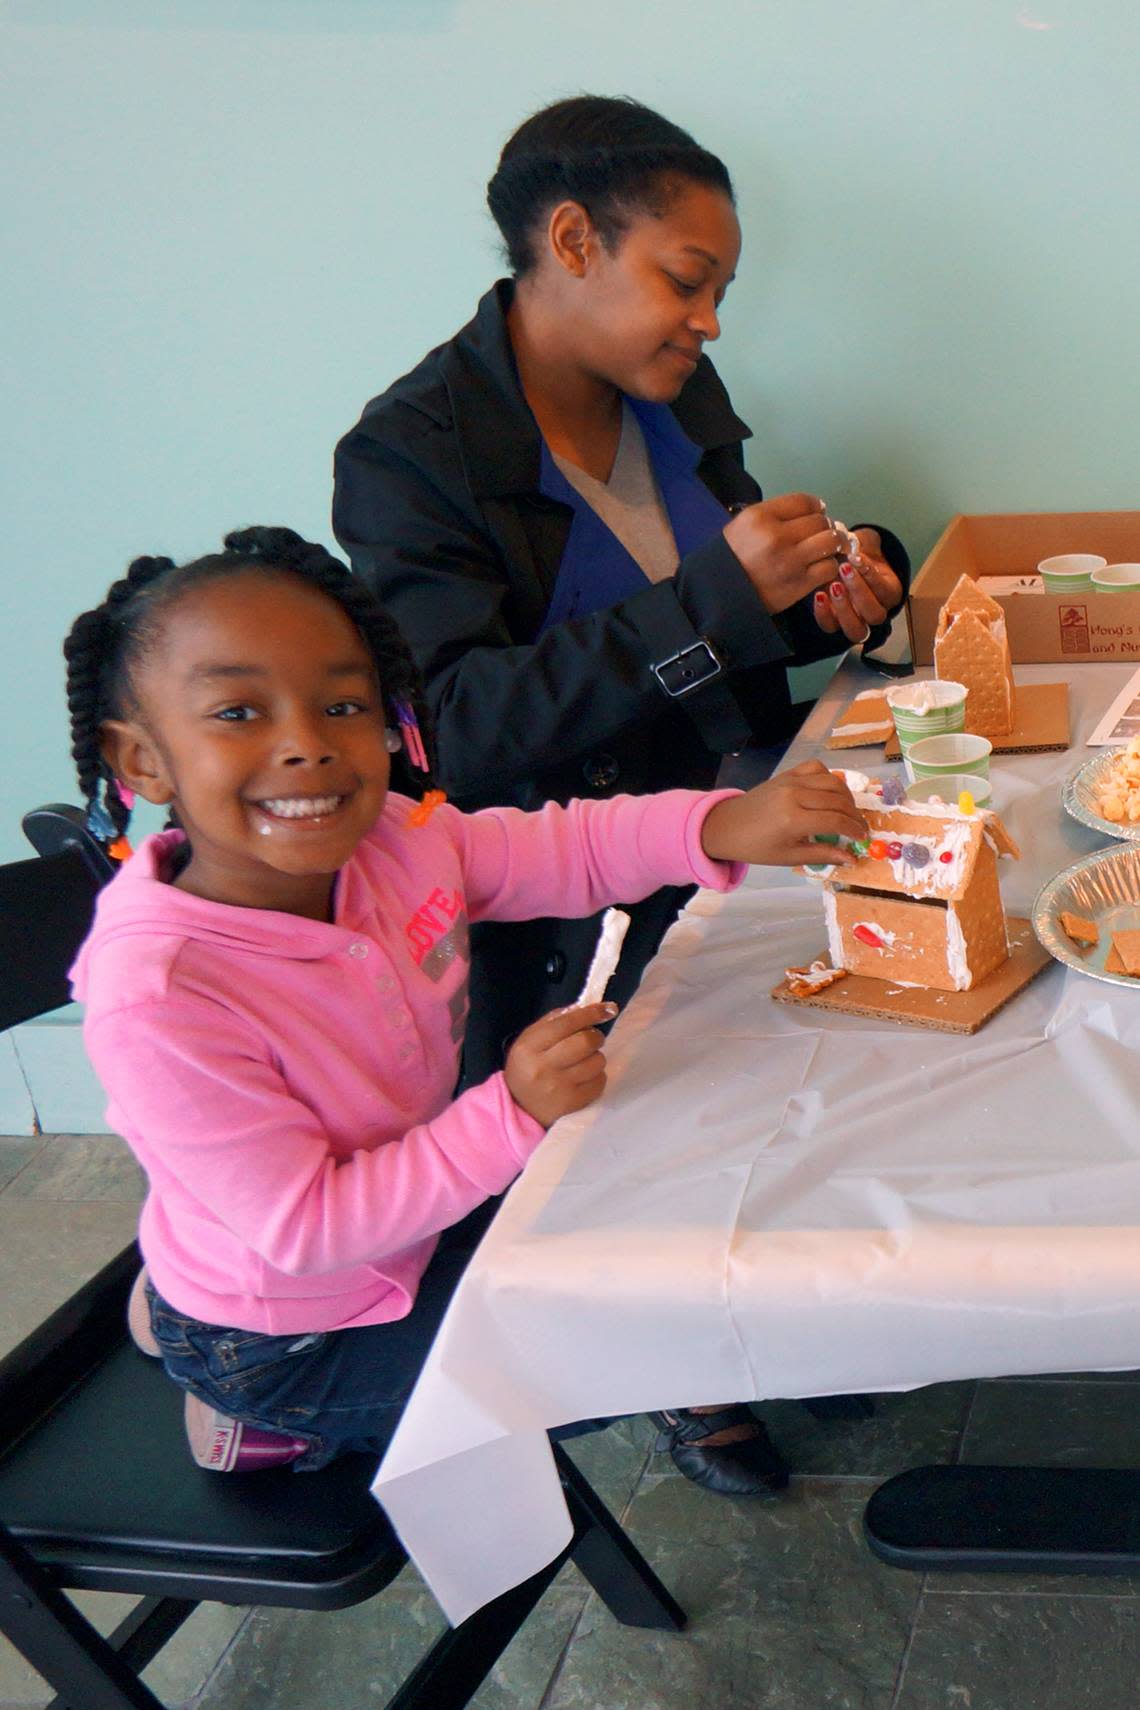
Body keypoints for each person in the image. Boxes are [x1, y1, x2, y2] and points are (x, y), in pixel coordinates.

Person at [333, 94, 908, 1488]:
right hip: (567, 880)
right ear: (573, 238)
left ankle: (799, 1294)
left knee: (908, 962)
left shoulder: (673, 401)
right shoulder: (413, 456)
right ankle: (667, 1357)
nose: (708, 319)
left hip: (736, 793)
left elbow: (724, 629)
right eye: (686, 278)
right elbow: (461, 733)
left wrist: (835, 592)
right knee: (688, 1077)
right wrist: (720, 597)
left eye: (720, 289)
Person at [64, 526, 869, 1480]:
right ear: (142, 762)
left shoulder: (396, 839)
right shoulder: (158, 995)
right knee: (623, 1364)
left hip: (413, 1226)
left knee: (664, 1193)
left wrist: (723, 821)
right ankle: (251, 1401)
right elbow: (311, 1228)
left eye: (343, 704)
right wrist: (512, 1113)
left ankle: (183, 1277)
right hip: (297, 1335)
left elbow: (561, 851)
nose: (307, 748)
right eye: (239, 712)